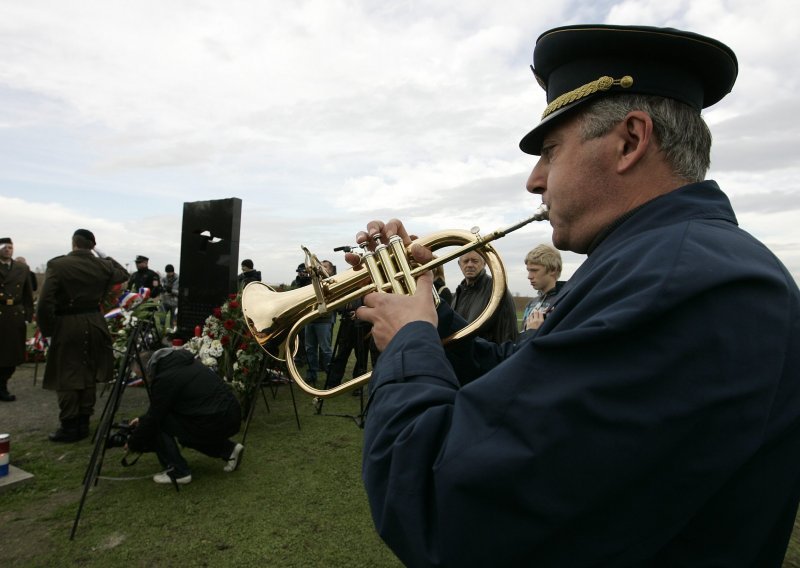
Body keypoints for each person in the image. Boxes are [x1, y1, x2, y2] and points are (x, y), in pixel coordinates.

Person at [348, 25, 800, 567]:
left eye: (550, 151)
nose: (534, 181)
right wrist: (430, 305)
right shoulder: (653, 264)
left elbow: (445, 505)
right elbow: (526, 378)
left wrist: (408, 341)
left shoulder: (683, 284)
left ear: (631, 141)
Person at [36, 229, 129, 442]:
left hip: (67, 324)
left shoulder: (58, 265)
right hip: (95, 323)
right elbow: (123, 274)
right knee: (88, 373)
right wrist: (102, 253)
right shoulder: (103, 265)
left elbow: (44, 304)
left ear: (73, 243)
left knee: (67, 375)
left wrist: (49, 331)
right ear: (92, 246)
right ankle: (83, 423)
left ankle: (69, 426)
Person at [125, 348, 244, 484]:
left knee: (160, 423)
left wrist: (133, 443)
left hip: (215, 419)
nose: (142, 380)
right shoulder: (178, 364)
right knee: (184, 435)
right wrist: (142, 419)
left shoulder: (165, 377)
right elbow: (163, 406)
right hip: (228, 414)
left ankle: (178, 472)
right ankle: (229, 450)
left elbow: (156, 417)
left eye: (141, 376)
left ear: (148, 369)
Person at [450, 250, 518, 343]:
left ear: (484, 263)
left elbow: (507, 334)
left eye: (475, 261)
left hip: (485, 355)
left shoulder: (497, 291)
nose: (469, 265)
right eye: (466, 261)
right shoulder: (459, 292)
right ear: (459, 264)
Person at [0, 238, 34, 402]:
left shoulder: (22, 268)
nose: (8, 250)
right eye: (5, 247)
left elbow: (28, 293)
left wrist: (28, 315)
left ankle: (2, 383)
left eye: (10, 247)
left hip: (14, 314)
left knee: (11, 354)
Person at [519, 244, 565, 334]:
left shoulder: (563, 302)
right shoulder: (531, 304)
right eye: (529, 271)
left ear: (553, 270)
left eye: (534, 270)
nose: (529, 276)